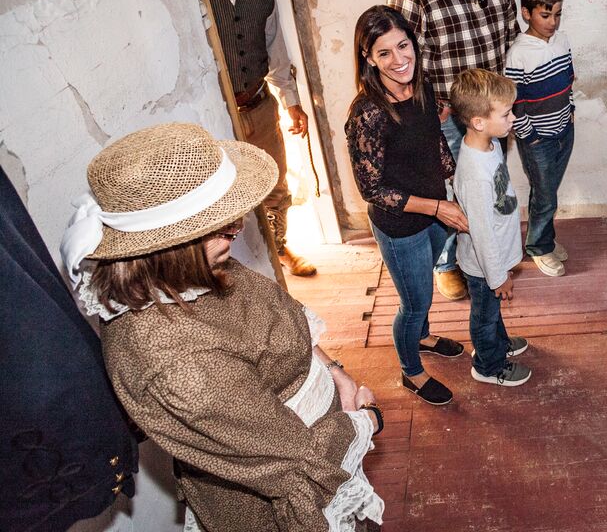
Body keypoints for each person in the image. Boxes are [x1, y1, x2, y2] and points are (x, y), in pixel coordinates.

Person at [58, 122, 383, 531]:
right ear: (163, 247)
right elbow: (299, 461)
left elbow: (275, 313)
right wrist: (368, 419)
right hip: (282, 493)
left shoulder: (192, 268)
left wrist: (333, 371)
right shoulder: (177, 363)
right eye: (218, 225)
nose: (237, 229)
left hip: (326, 430)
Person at [387, 0, 519, 300]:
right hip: (447, 119)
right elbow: (400, 60)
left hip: (491, 112)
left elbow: (509, 31)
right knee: (449, 193)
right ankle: (450, 262)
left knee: (488, 190)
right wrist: (430, 110)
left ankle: (490, 252)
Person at [345, 5, 470, 405]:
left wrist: (454, 175)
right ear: (368, 58)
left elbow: (432, 139)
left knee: (424, 295)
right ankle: (411, 372)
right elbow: (372, 189)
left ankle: (424, 337)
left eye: (404, 46)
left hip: (435, 208)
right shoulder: (366, 115)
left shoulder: (423, 86)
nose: (399, 60)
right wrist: (437, 208)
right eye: (384, 53)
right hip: (401, 226)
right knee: (414, 301)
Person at [194, 0, 316, 277]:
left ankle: (278, 249)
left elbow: (273, 41)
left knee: (274, 183)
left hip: (259, 105)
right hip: (216, 112)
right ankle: (238, 267)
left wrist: (290, 100)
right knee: (225, 193)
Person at [449, 69, 532, 387]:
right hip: (484, 265)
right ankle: (488, 364)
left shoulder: (491, 145)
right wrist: (499, 277)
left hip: (494, 255)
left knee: (491, 311)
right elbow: (482, 235)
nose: (512, 118)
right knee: (484, 316)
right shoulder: (475, 174)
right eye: (506, 113)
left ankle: (497, 344)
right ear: (479, 122)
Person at [505, 0, 575, 277]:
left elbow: (568, 80)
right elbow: (514, 102)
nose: (553, 22)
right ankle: (538, 248)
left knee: (549, 190)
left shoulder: (562, 41)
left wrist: (570, 112)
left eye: (557, 14)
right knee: (545, 194)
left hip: (564, 130)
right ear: (526, 13)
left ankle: (543, 238)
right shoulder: (518, 53)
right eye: (545, 15)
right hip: (538, 139)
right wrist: (529, 136)